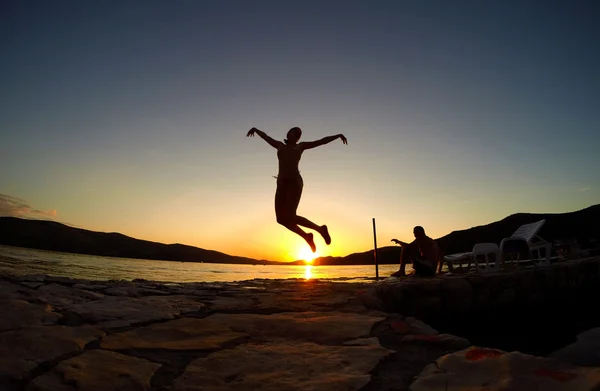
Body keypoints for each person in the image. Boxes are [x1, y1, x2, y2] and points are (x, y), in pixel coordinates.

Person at [246, 126, 348, 253]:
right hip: (281, 184)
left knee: (290, 216)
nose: (297, 135)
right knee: (280, 219)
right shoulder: (279, 145)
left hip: (294, 183)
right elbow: (266, 137)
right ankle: (307, 236)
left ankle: (320, 229)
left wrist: (338, 135)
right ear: (289, 133)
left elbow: (321, 141)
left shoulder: (300, 147)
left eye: (299, 134)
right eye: (295, 132)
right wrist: (255, 130)